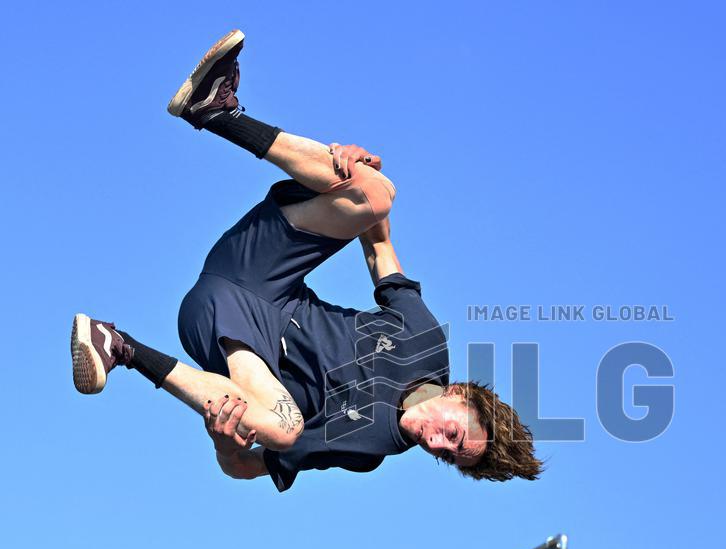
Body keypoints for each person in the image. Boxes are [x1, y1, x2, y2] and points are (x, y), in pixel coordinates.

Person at [70, 30, 542, 491]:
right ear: (461, 396)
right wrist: (353, 173)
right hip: (260, 269)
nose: (434, 443)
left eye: (445, 454)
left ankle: (120, 347)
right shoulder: (426, 341)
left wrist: (224, 441)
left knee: (282, 429)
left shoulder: (367, 446)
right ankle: (217, 112)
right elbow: (379, 250)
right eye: (452, 434)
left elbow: (245, 468)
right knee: (379, 195)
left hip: (232, 341)